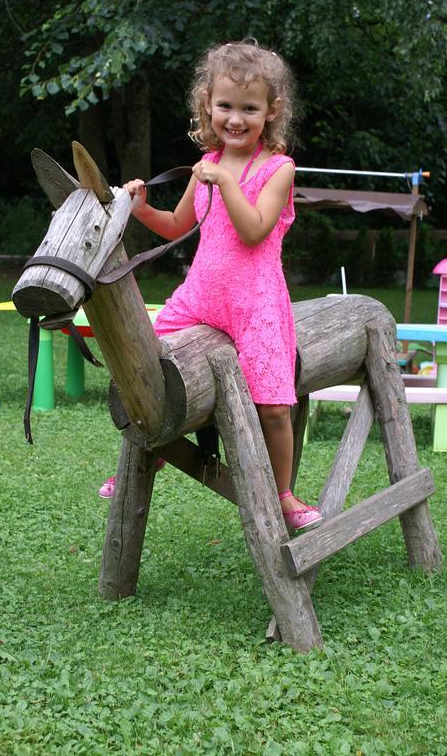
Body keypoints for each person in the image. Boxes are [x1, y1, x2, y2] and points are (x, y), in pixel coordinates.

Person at [99, 40, 322, 532]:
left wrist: (222, 181)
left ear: (272, 111)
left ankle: (283, 494)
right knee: (149, 364)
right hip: (201, 295)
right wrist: (140, 209)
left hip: (256, 303)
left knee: (274, 405)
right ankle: (152, 452)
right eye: (226, 106)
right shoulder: (207, 164)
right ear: (208, 105)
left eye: (250, 108)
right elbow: (178, 225)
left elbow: (254, 230)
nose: (236, 118)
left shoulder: (277, 170)